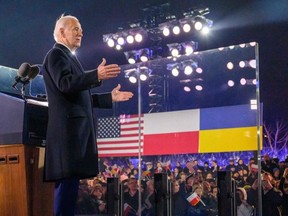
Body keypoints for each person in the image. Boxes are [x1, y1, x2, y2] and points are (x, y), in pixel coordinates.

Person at [42, 14, 133, 215]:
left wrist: (109, 98)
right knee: (65, 193)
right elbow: (65, 85)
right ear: (61, 32)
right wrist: (95, 75)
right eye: (75, 28)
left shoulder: (68, 58)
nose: (80, 32)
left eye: (80, 29)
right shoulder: (56, 55)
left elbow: (80, 98)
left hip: (74, 138)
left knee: (70, 193)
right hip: (68, 138)